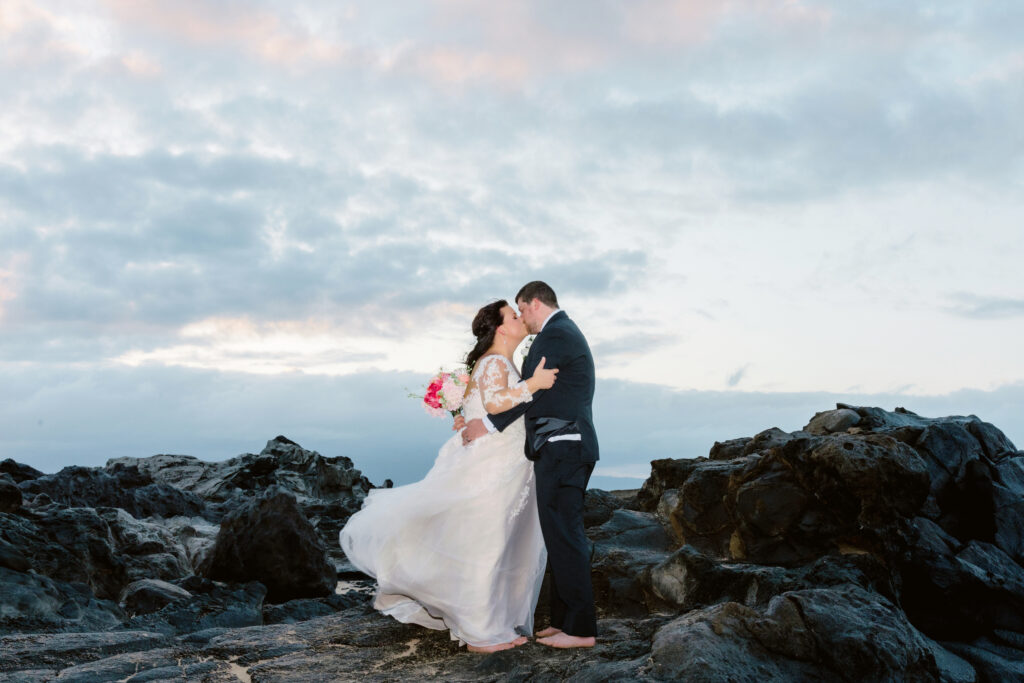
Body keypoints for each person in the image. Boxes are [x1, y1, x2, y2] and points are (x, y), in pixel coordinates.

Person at [339, 300, 559, 653]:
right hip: (493, 463)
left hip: (505, 459)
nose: (520, 319)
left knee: (491, 541)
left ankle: (491, 623)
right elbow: (495, 404)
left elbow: (481, 408)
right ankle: (480, 633)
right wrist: (534, 383)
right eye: (513, 315)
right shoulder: (493, 361)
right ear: (502, 328)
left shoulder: (497, 362)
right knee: (486, 543)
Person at [461, 281, 599, 649]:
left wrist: (487, 425)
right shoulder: (559, 332)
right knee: (558, 536)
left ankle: (581, 630)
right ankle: (563, 621)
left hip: (564, 446)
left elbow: (533, 392)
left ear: (534, 303)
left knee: (566, 537)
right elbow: (532, 392)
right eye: (515, 314)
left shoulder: (555, 335)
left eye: (522, 310)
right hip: (559, 448)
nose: (521, 317)